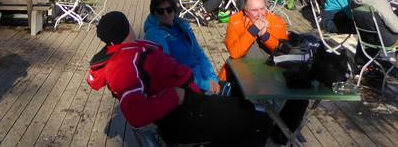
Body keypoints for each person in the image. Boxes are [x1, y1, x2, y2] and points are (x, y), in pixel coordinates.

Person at [87, 11, 271, 146]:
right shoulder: (124, 65)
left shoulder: (128, 51)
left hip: (191, 101)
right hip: (182, 115)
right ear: (127, 28)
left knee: (246, 107)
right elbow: (136, 115)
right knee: (260, 121)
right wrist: (175, 95)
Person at [223, 0, 307, 142]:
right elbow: (235, 53)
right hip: (241, 71)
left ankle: (281, 135)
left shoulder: (276, 21)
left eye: (263, 8)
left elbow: (283, 51)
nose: (260, 14)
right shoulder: (235, 21)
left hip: (272, 70)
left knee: (300, 98)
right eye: (254, 10)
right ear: (245, 11)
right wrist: (253, 30)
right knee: (240, 96)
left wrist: (265, 36)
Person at [143, 0, 220, 94]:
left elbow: (198, 53)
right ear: (154, 13)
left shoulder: (182, 26)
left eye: (169, 9)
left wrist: (212, 78)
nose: (166, 14)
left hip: (200, 80)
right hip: (183, 88)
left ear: (174, 10)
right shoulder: (154, 35)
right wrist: (206, 85)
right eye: (160, 11)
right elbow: (170, 70)